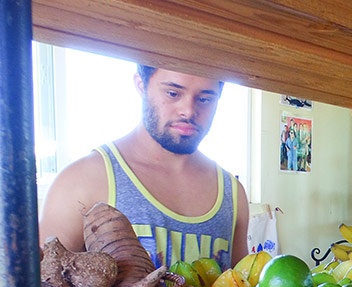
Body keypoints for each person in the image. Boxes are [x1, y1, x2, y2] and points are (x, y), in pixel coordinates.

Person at [39, 65, 249, 271]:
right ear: (141, 84)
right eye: (173, 93)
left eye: (205, 98)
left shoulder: (232, 192)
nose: (188, 110)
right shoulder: (83, 180)